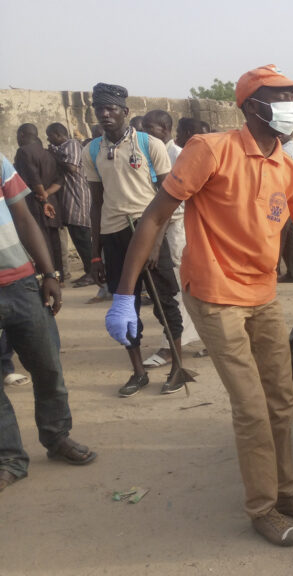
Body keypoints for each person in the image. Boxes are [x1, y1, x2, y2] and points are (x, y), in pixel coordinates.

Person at [104, 64, 293, 547]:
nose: (290, 105)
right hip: (213, 295)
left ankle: (286, 490)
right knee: (252, 407)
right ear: (252, 106)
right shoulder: (210, 151)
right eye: (281, 96)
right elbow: (154, 217)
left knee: (282, 399)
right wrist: (125, 295)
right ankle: (263, 508)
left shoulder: (288, 168)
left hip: (262, 294)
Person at [0, 154, 97, 497]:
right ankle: (9, 459)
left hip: (22, 283)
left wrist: (50, 273)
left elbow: (24, 218)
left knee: (48, 366)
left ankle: (57, 438)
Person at [83, 83, 186, 397]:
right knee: (124, 305)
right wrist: (95, 255)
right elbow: (96, 204)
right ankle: (138, 371)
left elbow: (169, 198)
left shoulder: (148, 144)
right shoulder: (91, 151)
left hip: (148, 229)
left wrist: (155, 243)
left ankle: (178, 367)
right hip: (114, 235)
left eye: (111, 108)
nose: (105, 114)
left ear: (125, 112)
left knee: (164, 301)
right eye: (100, 109)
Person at [141, 112, 202, 368]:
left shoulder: (177, 155)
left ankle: (171, 346)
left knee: (174, 287)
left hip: (175, 227)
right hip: (157, 225)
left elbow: (176, 199)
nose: (145, 134)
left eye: (149, 128)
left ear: (165, 128)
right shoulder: (149, 151)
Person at [45, 122, 94, 287]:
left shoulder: (71, 144)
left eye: (50, 136)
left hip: (78, 199)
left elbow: (72, 167)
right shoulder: (61, 148)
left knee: (83, 238)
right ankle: (89, 271)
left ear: (58, 134)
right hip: (69, 201)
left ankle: (93, 272)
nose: (48, 139)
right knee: (78, 238)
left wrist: (54, 155)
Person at [13, 124, 63, 282]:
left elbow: (33, 178)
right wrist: (47, 195)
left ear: (21, 135)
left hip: (36, 201)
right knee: (54, 239)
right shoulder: (48, 154)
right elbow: (60, 180)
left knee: (40, 238)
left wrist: (42, 197)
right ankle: (58, 275)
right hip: (52, 199)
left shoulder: (23, 152)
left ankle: (47, 274)